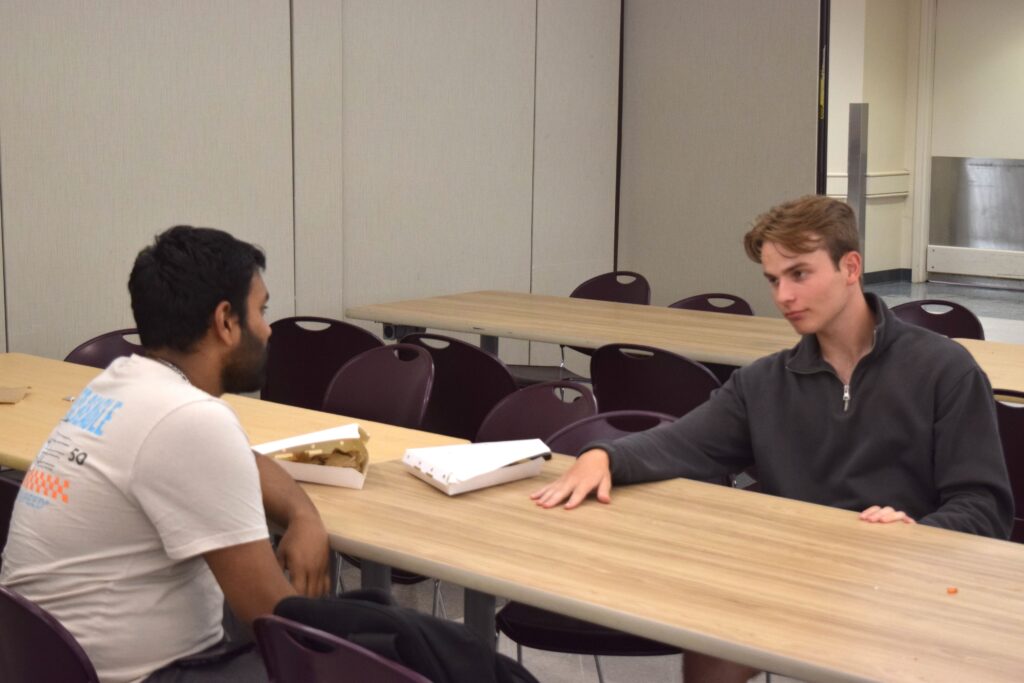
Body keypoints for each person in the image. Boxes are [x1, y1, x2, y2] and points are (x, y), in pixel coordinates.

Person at [531, 195, 1013, 683]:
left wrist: (916, 535)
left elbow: (983, 504)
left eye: (799, 274)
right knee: (711, 643)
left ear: (851, 267)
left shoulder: (943, 370)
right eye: (773, 280)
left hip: (907, 588)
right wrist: (602, 456)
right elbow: (681, 443)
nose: (783, 296)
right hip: (796, 585)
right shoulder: (763, 383)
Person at [1, 226, 330, 682]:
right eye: (262, 310)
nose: (269, 329)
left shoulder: (121, 384)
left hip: (49, 664)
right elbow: (275, 623)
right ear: (226, 321)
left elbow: (241, 458)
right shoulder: (189, 418)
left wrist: (303, 515)